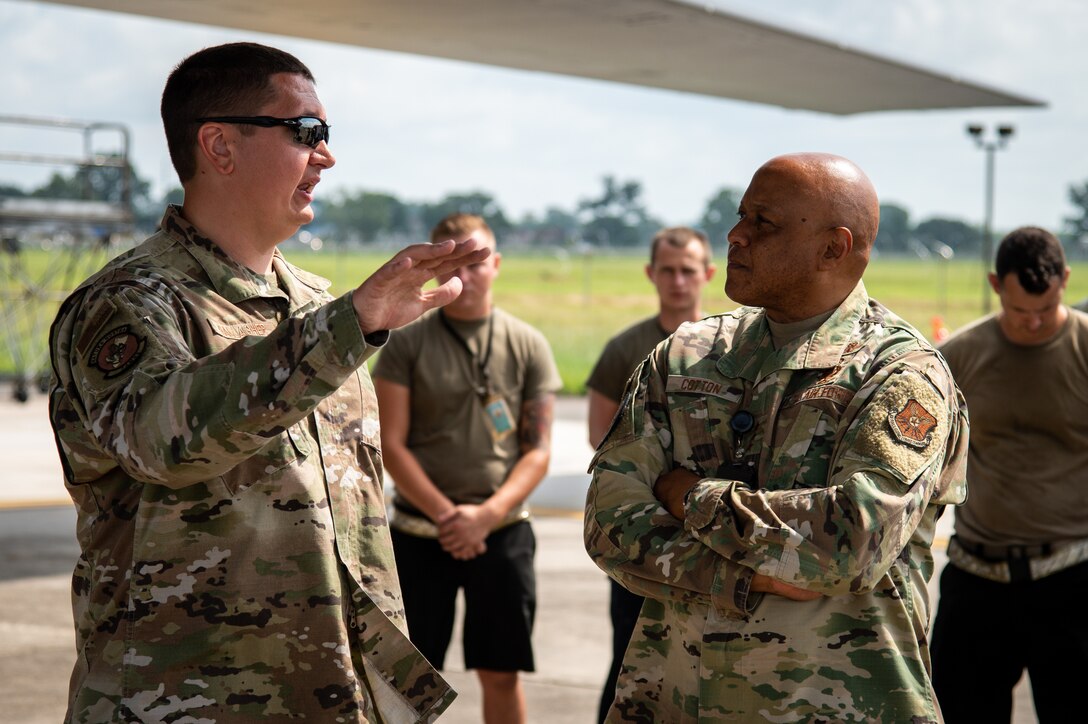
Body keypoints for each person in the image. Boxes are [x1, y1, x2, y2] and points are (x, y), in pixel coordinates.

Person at [47, 42, 491, 723]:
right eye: (306, 132)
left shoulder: (317, 306)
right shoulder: (130, 304)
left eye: (327, 135)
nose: (327, 157)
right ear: (220, 146)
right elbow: (162, 440)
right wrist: (353, 323)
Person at [583, 152, 969, 722]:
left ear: (833, 248)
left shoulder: (900, 375)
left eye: (762, 223)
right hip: (671, 704)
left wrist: (688, 496)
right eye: (740, 217)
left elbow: (847, 546)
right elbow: (608, 522)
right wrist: (743, 576)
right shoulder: (687, 356)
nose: (735, 236)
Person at [372, 213, 562, 724]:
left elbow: (537, 449)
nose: (467, 273)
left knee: (501, 673)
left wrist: (484, 515)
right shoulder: (406, 342)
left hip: (501, 532)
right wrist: (448, 516)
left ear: (496, 264)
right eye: (453, 261)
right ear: (434, 268)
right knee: (408, 682)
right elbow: (392, 442)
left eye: (477, 260)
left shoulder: (528, 345)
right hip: (417, 532)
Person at [930, 226, 1088, 723]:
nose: (1035, 323)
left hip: (1071, 582)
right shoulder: (959, 356)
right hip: (977, 580)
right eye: (1022, 312)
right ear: (997, 286)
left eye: (1046, 309)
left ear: (1065, 280)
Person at [584, 226, 715, 722]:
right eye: (668, 270)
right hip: (643, 532)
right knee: (630, 659)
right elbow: (600, 434)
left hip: (711, 529)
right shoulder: (628, 347)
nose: (678, 281)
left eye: (688, 270)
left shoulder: (731, 347)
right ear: (651, 274)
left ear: (707, 274)